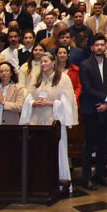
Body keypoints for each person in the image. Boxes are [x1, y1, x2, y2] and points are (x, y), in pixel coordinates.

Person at [21, 52, 78, 191]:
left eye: (46, 61)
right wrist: (33, 103)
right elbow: (28, 98)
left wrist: (51, 103)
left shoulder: (63, 79)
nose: (43, 64)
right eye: (41, 62)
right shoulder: (37, 78)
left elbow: (67, 102)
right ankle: (39, 182)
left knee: (56, 151)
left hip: (54, 122)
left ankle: (58, 182)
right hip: (38, 122)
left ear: (53, 62)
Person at [78, 34, 107, 189]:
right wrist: (106, 99)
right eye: (97, 45)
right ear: (92, 48)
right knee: (90, 145)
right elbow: (87, 88)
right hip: (91, 110)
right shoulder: (85, 65)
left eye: (102, 45)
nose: (100, 47)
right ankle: (86, 177)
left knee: (103, 143)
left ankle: (100, 175)